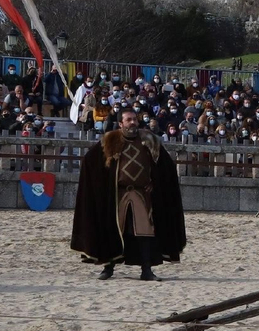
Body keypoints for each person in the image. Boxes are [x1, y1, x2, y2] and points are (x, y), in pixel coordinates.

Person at [70, 108, 186, 280]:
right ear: (120, 123)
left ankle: (146, 270)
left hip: (142, 195)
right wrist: (106, 184)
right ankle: (108, 268)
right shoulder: (110, 141)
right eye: (128, 120)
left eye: (134, 119)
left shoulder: (149, 141)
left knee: (145, 232)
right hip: (118, 195)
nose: (133, 122)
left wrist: (155, 182)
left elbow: (166, 168)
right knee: (113, 230)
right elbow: (90, 162)